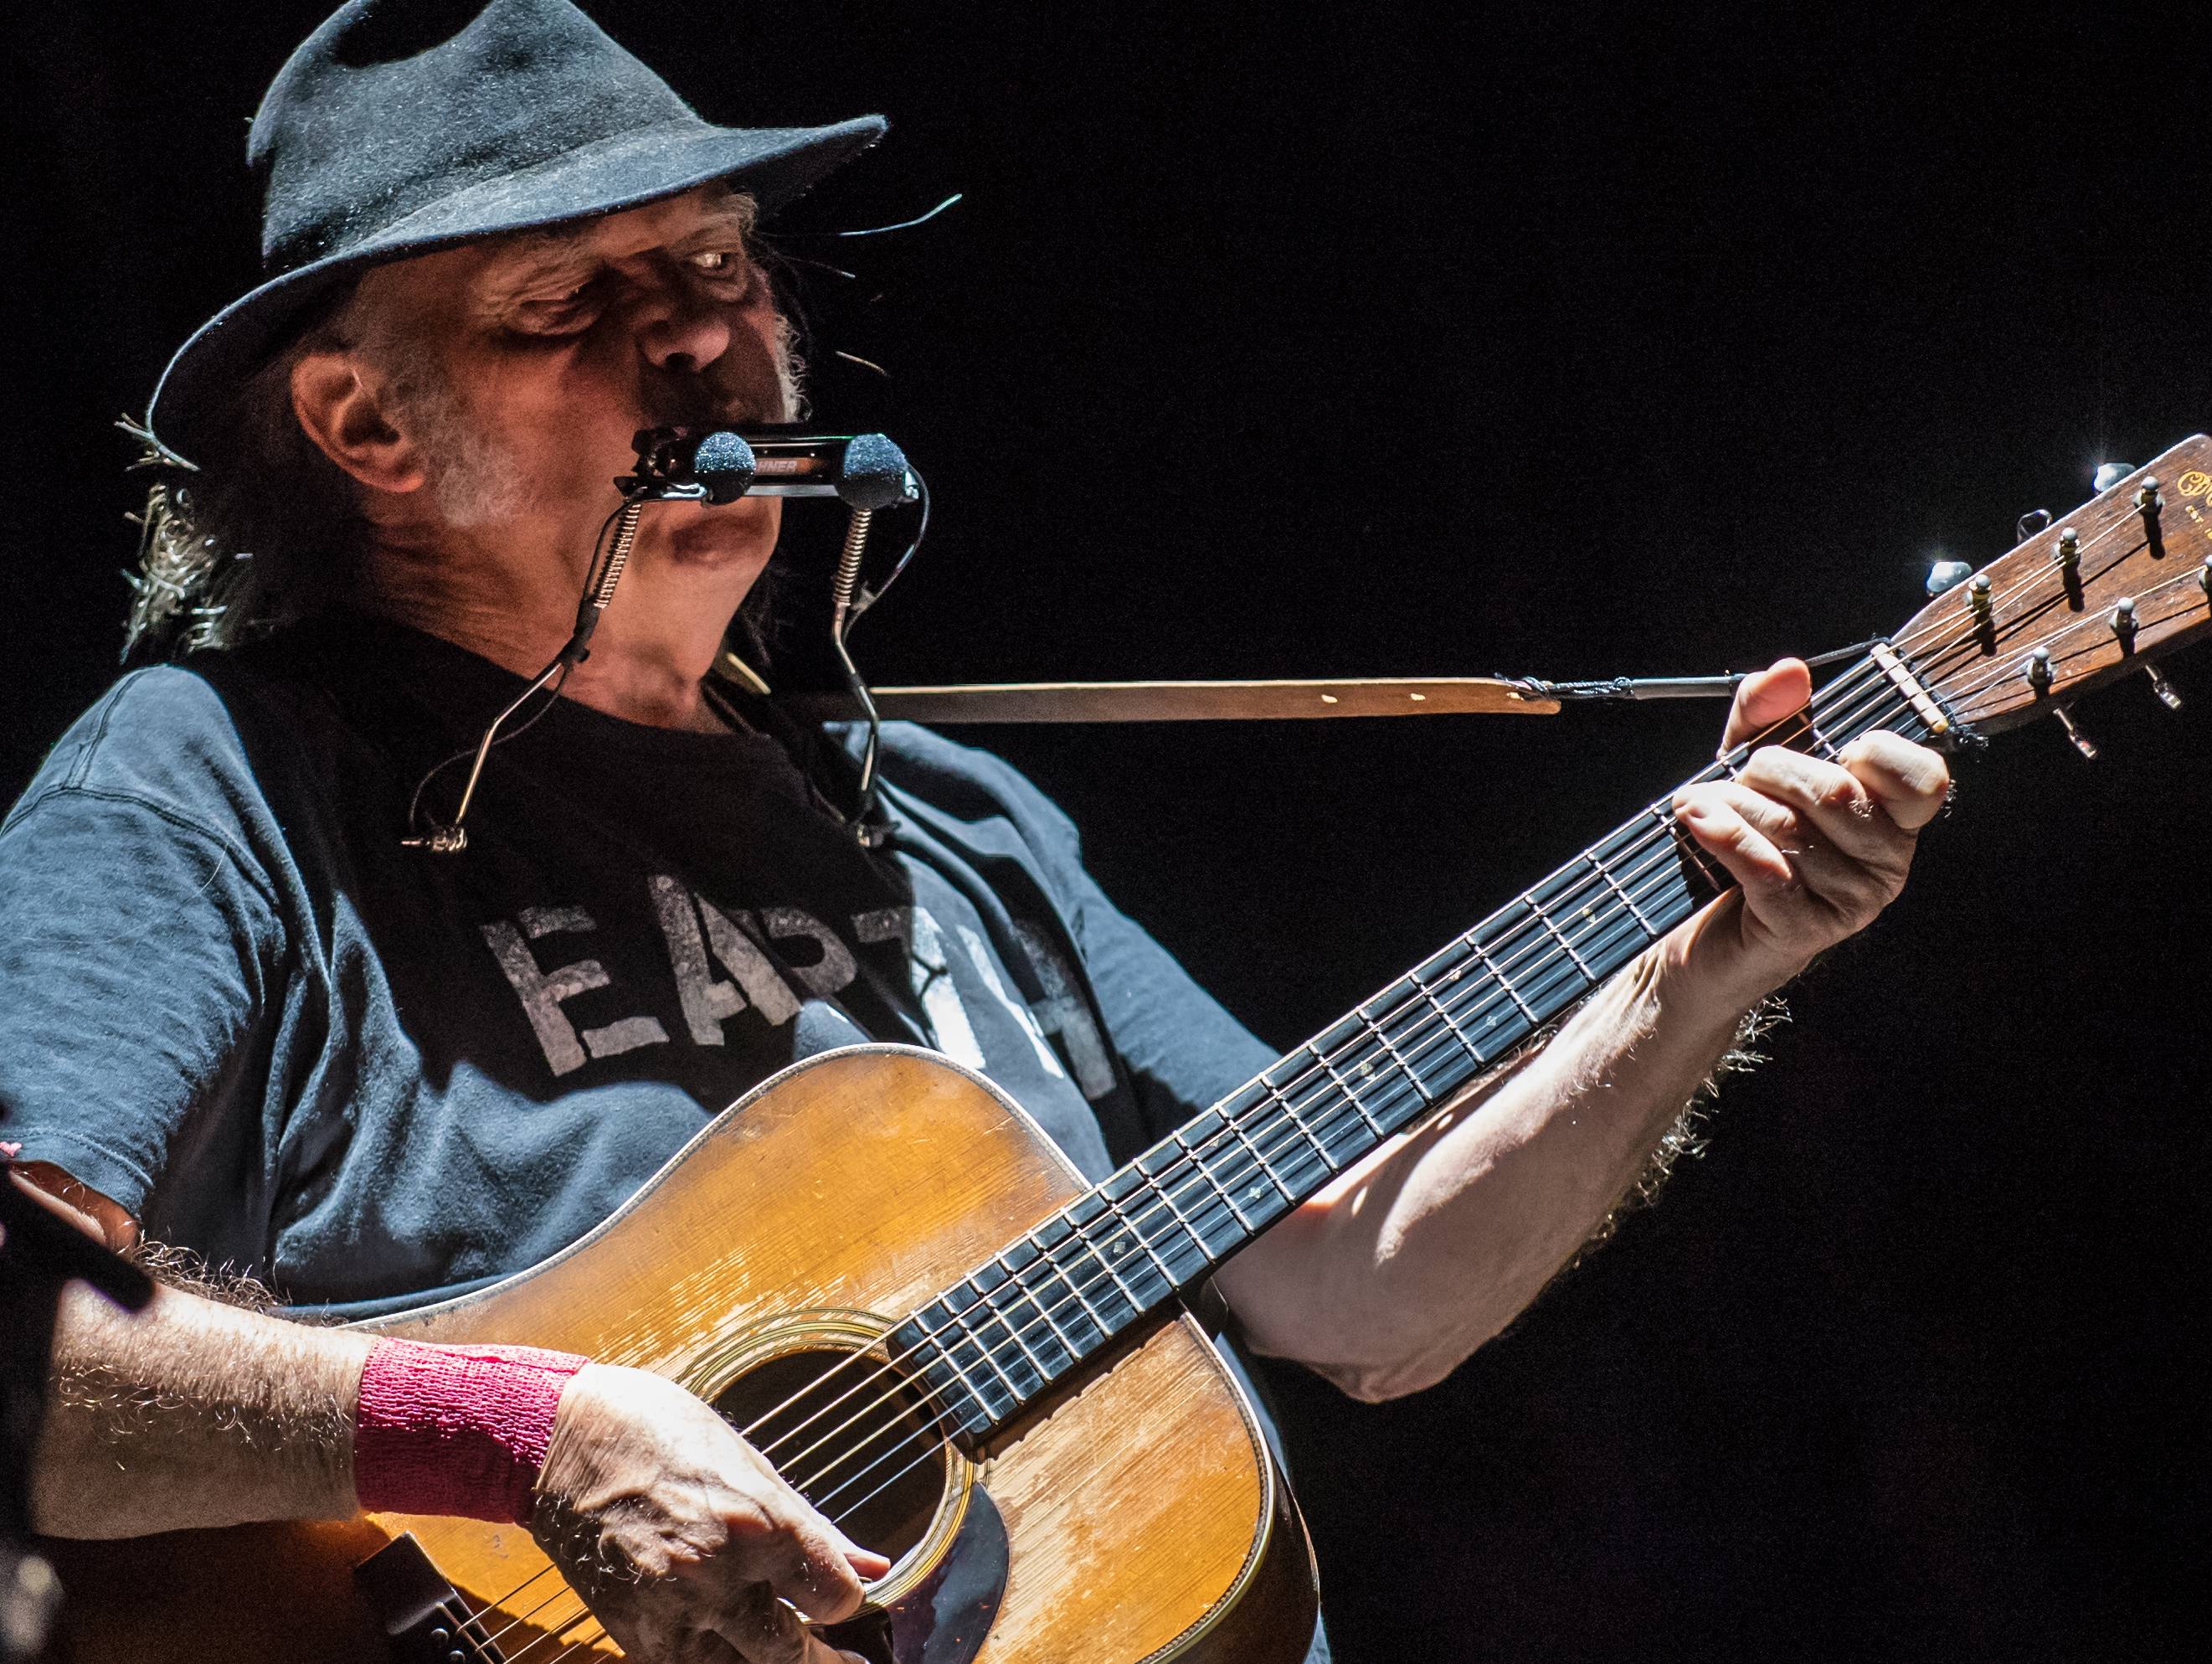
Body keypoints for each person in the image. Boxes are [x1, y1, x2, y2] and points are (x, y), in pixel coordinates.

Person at [0, 3, 1949, 1661]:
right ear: (362, 425)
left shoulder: (949, 830)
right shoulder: (212, 780)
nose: (690, 341)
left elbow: (1371, 1286)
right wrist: (518, 1432)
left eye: (712, 267)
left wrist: (1715, 952)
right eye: (568, 298)